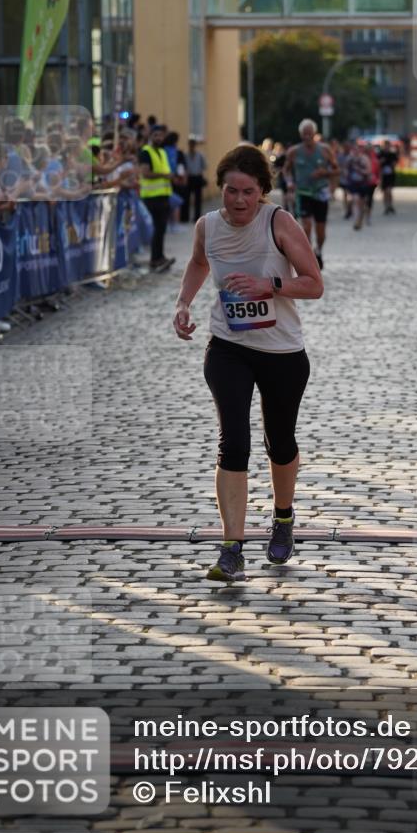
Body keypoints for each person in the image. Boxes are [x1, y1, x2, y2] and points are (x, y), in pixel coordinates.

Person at [172, 144, 323, 582]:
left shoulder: (279, 223)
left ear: (262, 191)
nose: (239, 200)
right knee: (233, 443)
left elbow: (314, 284)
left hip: (282, 353)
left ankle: (283, 516)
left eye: (248, 192)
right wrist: (183, 303)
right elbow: (198, 262)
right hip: (228, 347)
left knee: (280, 442)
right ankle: (231, 549)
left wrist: (268, 285)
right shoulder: (207, 226)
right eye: (231, 191)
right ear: (220, 188)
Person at [283, 118, 337, 269]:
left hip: (320, 192)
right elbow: (286, 170)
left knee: (321, 230)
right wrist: (289, 182)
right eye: (304, 134)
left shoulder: (325, 150)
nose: (307, 137)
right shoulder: (294, 152)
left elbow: (337, 169)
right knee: (306, 226)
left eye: (309, 133)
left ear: (315, 133)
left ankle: (318, 250)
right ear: (300, 134)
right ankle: (309, 256)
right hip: (303, 192)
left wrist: (324, 173)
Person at [138, 123, 175, 271]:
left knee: (162, 228)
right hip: (151, 197)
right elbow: (145, 173)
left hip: (164, 195)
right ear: (150, 136)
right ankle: (155, 259)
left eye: (160, 135)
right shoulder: (145, 152)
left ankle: (160, 257)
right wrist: (164, 175)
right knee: (157, 228)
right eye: (156, 135)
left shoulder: (162, 151)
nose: (158, 138)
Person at [185, 136, 208, 223]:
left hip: (198, 177)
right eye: (190, 144)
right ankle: (186, 217)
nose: (191, 146)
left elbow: (204, 166)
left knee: (198, 198)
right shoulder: (185, 155)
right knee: (187, 198)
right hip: (189, 177)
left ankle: (197, 216)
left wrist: (200, 172)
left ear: (195, 145)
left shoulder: (200, 155)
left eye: (193, 144)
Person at [379, 138, 398, 214]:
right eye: (385, 145)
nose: (386, 147)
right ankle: (386, 206)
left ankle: (390, 205)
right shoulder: (380, 154)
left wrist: (393, 164)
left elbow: (395, 163)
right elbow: (377, 164)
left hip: (390, 175)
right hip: (382, 175)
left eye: (387, 145)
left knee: (389, 191)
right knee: (384, 192)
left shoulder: (392, 154)